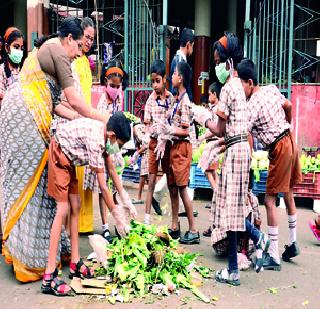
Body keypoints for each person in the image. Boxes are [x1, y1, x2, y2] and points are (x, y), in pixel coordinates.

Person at [0, 17, 108, 283]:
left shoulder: (50, 50)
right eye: (78, 48)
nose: (77, 56)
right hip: (25, 117)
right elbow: (75, 101)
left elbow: (59, 105)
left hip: (30, 114)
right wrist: (105, 119)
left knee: (45, 190)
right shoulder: (59, 52)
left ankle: (58, 259)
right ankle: (33, 261)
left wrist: (80, 119)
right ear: (69, 39)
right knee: (31, 186)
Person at [194, 33, 270, 285]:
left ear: (227, 61)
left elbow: (218, 128)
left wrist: (201, 116)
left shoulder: (228, 88)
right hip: (239, 150)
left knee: (231, 211)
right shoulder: (239, 87)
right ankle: (234, 268)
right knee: (233, 211)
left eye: (217, 60)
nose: (215, 66)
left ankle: (259, 239)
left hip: (235, 150)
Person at [43, 112, 136, 296]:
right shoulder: (97, 142)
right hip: (59, 155)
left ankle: (75, 262)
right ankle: (49, 275)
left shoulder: (105, 135)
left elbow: (111, 169)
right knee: (63, 210)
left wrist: (126, 200)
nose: (119, 149)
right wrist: (117, 216)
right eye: (120, 145)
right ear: (112, 136)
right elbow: (103, 185)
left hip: (70, 160)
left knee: (76, 205)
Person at [237, 58, 302, 269]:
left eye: (241, 85)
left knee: (269, 200)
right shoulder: (272, 89)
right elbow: (288, 105)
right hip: (290, 139)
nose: (240, 89)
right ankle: (292, 243)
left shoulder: (252, 104)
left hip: (279, 147)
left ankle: (273, 255)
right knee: (289, 193)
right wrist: (288, 124)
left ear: (249, 82)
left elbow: (244, 132)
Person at [156, 61, 200, 244]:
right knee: (173, 188)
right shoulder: (176, 99)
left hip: (181, 148)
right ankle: (175, 226)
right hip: (173, 148)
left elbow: (186, 130)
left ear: (180, 78)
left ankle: (193, 230)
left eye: (174, 74)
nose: (171, 76)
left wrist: (170, 130)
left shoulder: (186, 102)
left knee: (182, 189)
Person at [83, 60, 126, 241]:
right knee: (102, 188)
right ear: (105, 83)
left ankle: (118, 222)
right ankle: (105, 226)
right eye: (112, 86)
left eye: (117, 86)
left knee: (114, 186)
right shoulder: (101, 101)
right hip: (100, 147)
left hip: (113, 149)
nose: (115, 89)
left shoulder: (120, 98)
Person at [72, 17, 95, 234]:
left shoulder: (86, 61)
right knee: (76, 173)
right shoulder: (72, 60)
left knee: (86, 172)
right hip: (74, 120)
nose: (89, 42)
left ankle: (86, 223)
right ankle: (76, 222)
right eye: (87, 37)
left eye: (91, 39)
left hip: (86, 120)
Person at [144, 59, 174, 223]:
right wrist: (148, 135)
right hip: (154, 144)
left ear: (164, 79)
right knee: (152, 180)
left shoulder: (171, 99)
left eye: (157, 81)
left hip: (168, 144)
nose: (155, 85)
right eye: (152, 82)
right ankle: (147, 218)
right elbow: (147, 124)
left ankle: (172, 219)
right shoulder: (149, 100)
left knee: (170, 180)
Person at [199, 82, 222, 237]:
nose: (209, 97)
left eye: (210, 94)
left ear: (215, 94)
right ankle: (217, 191)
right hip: (216, 147)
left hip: (214, 146)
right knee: (212, 173)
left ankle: (217, 192)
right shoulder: (216, 109)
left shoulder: (216, 110)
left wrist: (202, 137)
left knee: (208, 171)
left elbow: (215, 131)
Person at [0, 27, 24, 107]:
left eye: (21, 48)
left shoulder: (22, 70)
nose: (20, 51)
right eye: (16, 47)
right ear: (7, 48)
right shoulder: (1, 70)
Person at [169, 27, 194, 100]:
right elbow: (175, 88)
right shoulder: (180, 61)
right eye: (193, 46)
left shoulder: (178, 59)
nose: (192, 49)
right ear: (188, 44)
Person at [130, 122, 149, 203]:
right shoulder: (138, 128)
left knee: (144, 175)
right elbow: (139, 144)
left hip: (148, 153)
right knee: (145, 175)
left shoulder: (136, 129)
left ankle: (140, 198)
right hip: (146, 153)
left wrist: (137, 153)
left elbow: (146, 144)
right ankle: (153, 197)